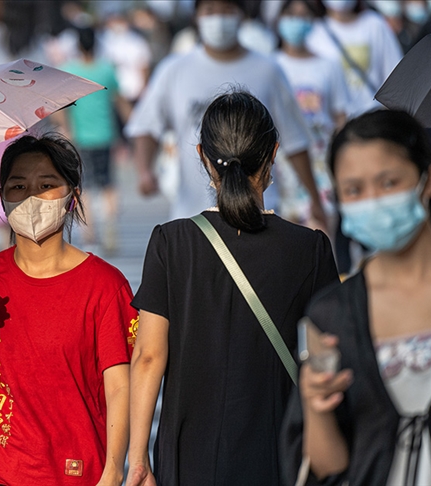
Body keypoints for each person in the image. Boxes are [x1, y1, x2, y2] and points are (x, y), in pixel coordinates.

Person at [127, 91, 340, 486]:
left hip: (187, 459)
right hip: (277, 457)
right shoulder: (309, 249)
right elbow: (328, 356)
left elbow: (148, 356)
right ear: (273, 154)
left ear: (203, 157)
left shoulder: (171, 242)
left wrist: (137, 458)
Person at [281, 109, 431, 486]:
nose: (372, 201)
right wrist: (316, 406)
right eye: (354, 190)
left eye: (388, 183)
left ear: (428, 179)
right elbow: (327, 468)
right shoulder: (333, 313)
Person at [0, 134, 135, 486]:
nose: (31, 196)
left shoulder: (106, 285)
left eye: (46, 185)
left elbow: (120, 388)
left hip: (79, 473)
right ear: (1, 198)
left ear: (73, 197)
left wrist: (114, 470)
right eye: (18, 186)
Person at [127, 0, 327, 229]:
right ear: (196, 16)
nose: (219, 18)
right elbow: (146, 125)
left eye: (227, 9)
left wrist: (314, 197)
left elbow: (295, 140)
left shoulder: (268, 70)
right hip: (194, 216)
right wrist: (145, 171)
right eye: (210, 10)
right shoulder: (174, 70)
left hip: (258, 214)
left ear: (242, 15)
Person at [275, 0, 350, 227]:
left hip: (321, 161)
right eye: (291, 15)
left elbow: (340, 116)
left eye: (303, 15)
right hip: (281, 162)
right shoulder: (270, 65)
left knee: (322, 228)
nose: (296, 21)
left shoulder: (329, 65)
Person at [59, 26, 129, 254]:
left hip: (81, 138)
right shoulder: (107, 70)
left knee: (85, 188)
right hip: (106, 135)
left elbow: (62, 108)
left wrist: (66, 129)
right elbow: (119, 101)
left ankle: (90, 239)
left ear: (78, 45)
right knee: (108, 185)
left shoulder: (70, 71)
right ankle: (110, 228)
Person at [306, 0, 402, 115]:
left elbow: (395, 73)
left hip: (374, 116)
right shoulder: (315, 32)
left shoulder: (375, 24)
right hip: (337, 118)